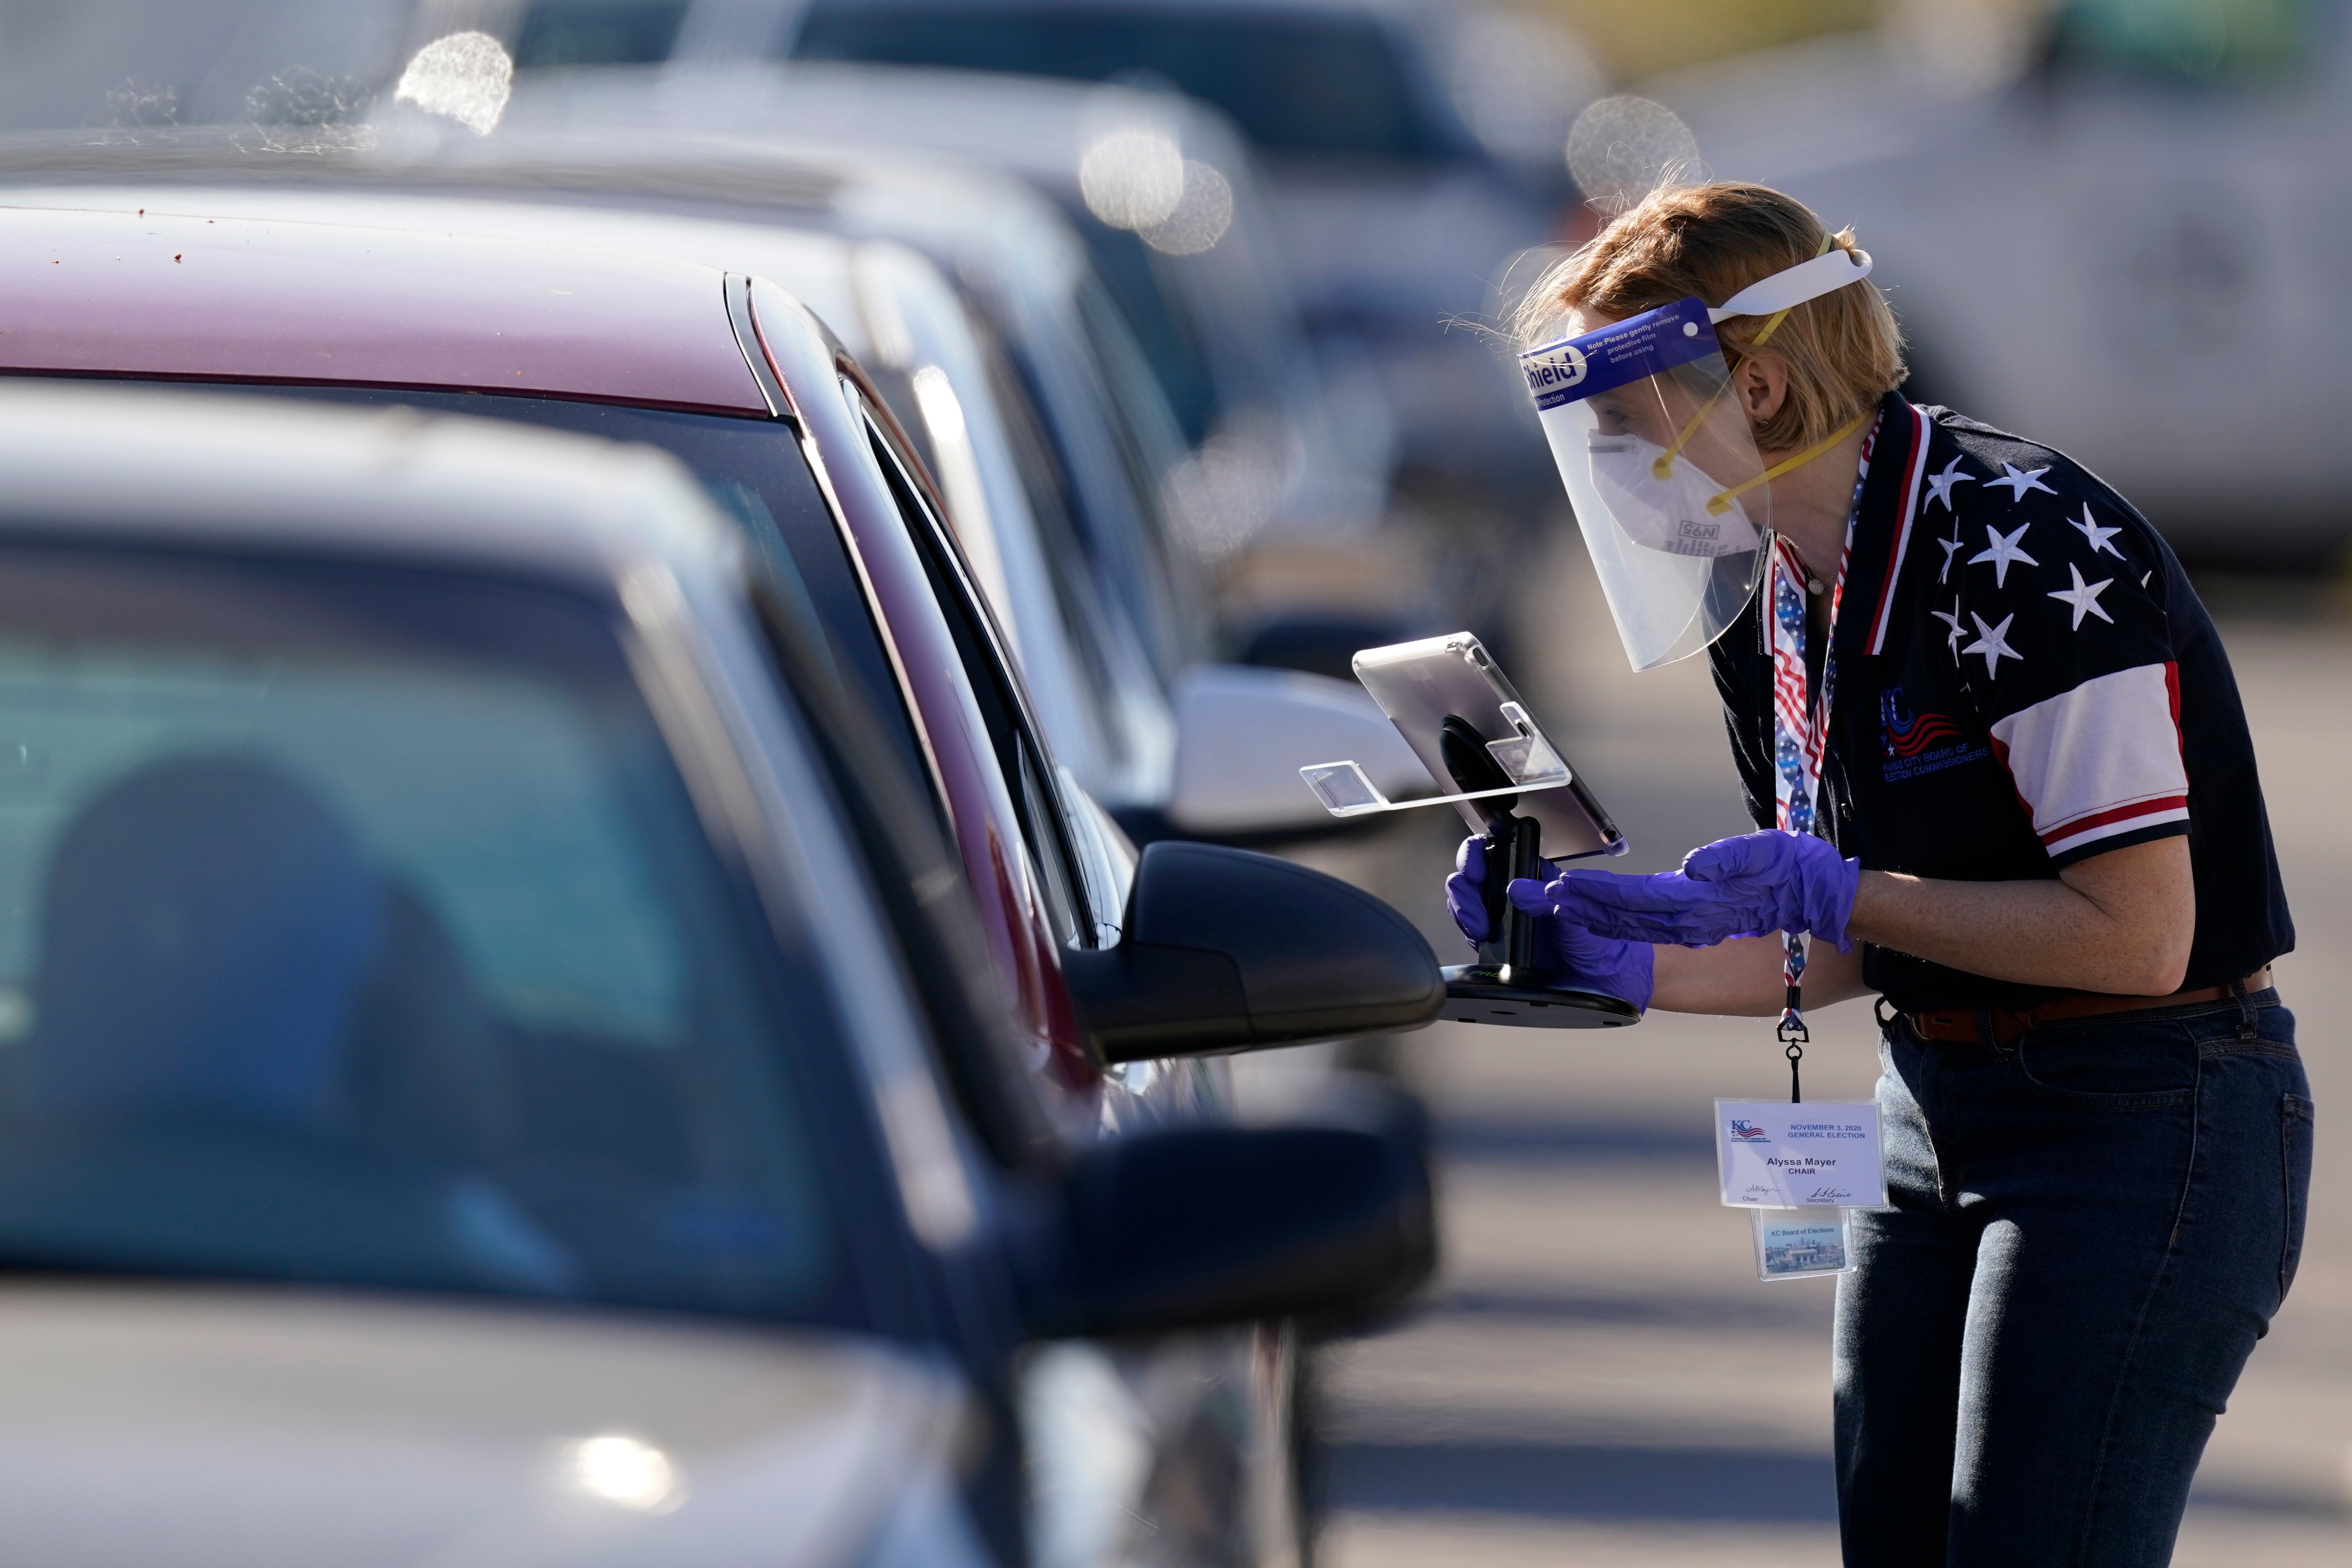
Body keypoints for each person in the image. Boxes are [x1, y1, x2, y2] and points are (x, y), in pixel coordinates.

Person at [1448, 181, 2310, 1565]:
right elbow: (1843, 947)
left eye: (1619, 420)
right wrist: (1607, 953)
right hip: (1930, 1101)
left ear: (1758, 386)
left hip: (2144, 1108)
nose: (1603, 459)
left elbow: (2138, 937)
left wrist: (1835, 891)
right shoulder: (1771, 588)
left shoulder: (2020, 540)